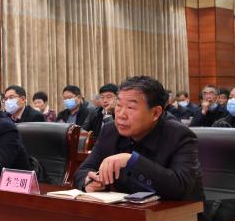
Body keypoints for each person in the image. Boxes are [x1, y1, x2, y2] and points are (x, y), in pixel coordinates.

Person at [73, 75, 204, 202]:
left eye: (131, 107)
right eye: (118, 105)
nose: (121, 115)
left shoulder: (179, 135)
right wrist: (89, 182)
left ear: (155, 113)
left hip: (176, 214)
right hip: (126, 212)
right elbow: (83, 170)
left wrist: (133, 161)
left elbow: (181, 188)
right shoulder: (110, 131)